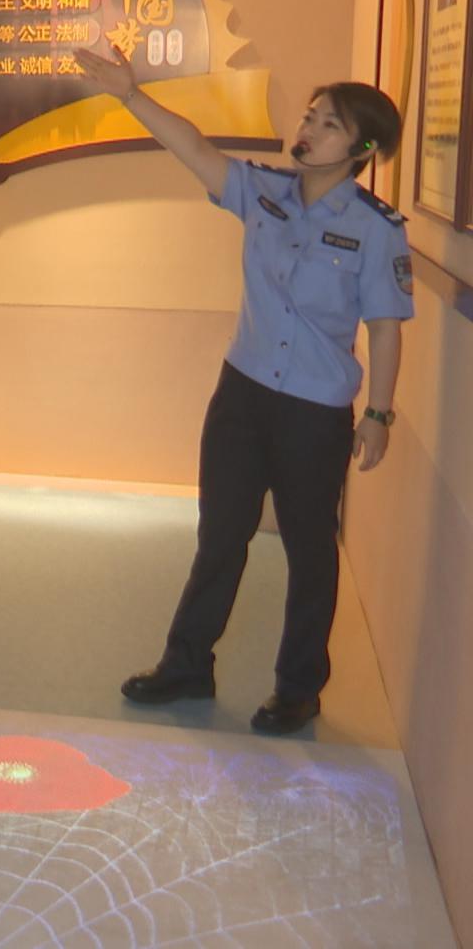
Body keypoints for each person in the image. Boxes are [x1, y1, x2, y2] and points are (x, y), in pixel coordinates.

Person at [76, 45, 413, 736]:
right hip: (242, 395)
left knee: (309, 550)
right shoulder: (264, 192)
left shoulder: (375, 230)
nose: (309, 128)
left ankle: (298, 688)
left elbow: (384, 328)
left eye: (329, 124)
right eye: (310, 115)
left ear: (362, 149)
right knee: (221, 535)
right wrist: (130, 95)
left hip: (316, 411)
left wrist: (378, 414)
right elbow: (194, 148)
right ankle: (187, 665)